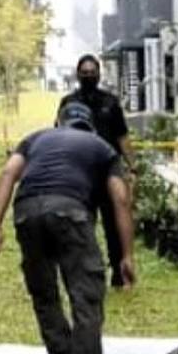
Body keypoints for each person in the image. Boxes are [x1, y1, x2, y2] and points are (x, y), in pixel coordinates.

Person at [0, 101, 136, 354]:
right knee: (86, 297)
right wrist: (127, 255)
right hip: (72, 212)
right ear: (90, 126)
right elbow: (120, 199)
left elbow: (8, 173)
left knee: (44, 296)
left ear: (58, 122)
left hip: (26, 212)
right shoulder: (102, 148)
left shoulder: (36, 138)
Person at [55, 55, 136, 288]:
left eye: (93, 71)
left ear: (99, 74)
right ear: (77, 74)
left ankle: (119, 274)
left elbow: (122, 137)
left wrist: (133, 166)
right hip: (80, 174)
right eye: (84, 72)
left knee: (114, 224)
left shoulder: (110, 102)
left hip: (109, 171)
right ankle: (86, 273)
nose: (89, 75)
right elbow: (59, 134)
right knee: (82, 225)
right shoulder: (68, 103)